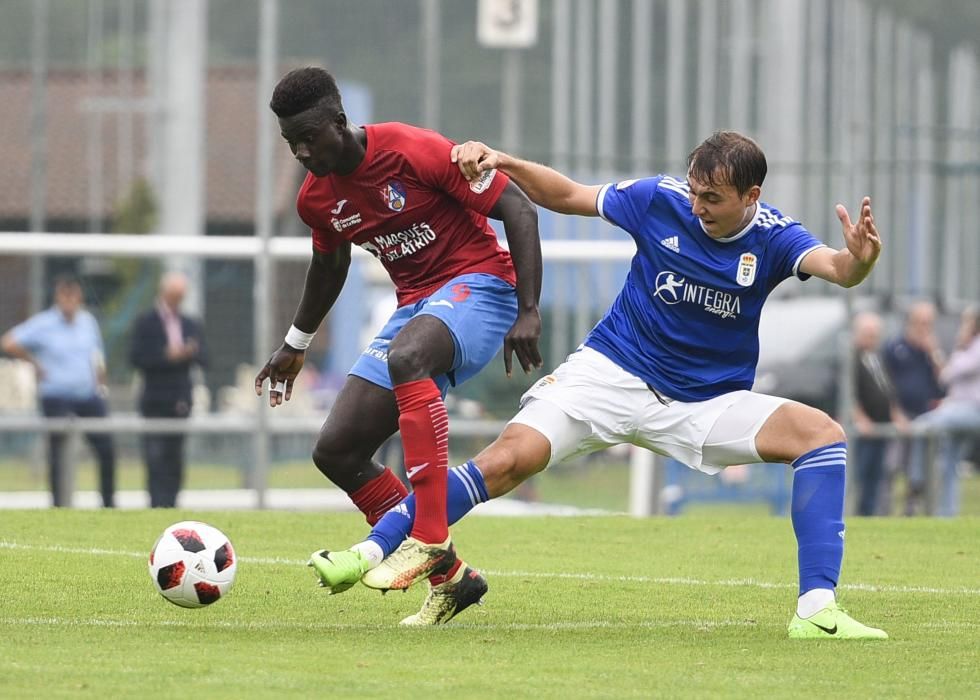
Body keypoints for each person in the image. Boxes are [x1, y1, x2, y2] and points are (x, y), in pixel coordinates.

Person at [311, 131, 890, 638]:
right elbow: (565, 194)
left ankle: (816, 610)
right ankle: (370, 550)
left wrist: (858, 260)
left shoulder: (774, 237)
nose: (697, 207)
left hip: (705, 402)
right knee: (508, 459)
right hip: (610, 374)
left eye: (712, 198)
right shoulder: (659, 200)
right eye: (694, 191)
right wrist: (503, 161)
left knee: (820, 435)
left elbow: (838, 269)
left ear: (751, 198)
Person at [252, 67, 543, 601]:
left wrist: (529, 308)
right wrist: (295, 344)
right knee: (337, 449)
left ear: (339, 123)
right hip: (417, 305)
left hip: (481, 286)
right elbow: (328, 264)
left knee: (407, 357)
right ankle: (450, 578)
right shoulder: (315, 200)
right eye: (292, 144)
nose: (302, 154)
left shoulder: (413, 150)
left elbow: (518, 209)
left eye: (309, 139)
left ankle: (429, 534)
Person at [1, 276, 116, 508]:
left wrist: (101, 382)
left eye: (73, 297)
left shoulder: (88, 322)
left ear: (79, 298)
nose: (69, 302)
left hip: (87, 395)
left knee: (106, 447)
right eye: (65, 297)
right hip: (57, 395)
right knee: (60, 452)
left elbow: (97, 356)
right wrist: (34, 363)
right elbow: (9, 342)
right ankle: (60, 504)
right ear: (58, 297)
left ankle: (109, 503)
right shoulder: (44, 323)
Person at [130, 271, 208, 508]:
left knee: (175, 460)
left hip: (180, 400)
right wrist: (167, 356)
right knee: (155, 458)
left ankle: (171, 505)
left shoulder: (191, 324)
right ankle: (156, 506)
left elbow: (206, 358)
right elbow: (136, 358)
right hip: (154, 400)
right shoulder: (146, 322)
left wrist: (189, 352)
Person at [913, 306, 980, 516]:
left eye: (966, 322)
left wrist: (934, 350)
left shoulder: (976, 347)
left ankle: (917, 480)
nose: (963, 326)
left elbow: (948, 375)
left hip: (972, 412)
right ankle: (947, 514)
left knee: (922, 425)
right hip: (960, 410)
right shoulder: (967, 348)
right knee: (948, 463)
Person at [882, 301, 945, 515]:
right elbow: (884, 385)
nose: (924, 327)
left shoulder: (933, 352)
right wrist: (895, 414)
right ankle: (883, 513)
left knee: (918, 472)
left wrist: (933, 352)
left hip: (926, 418)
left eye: (929, 323)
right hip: (900, 417)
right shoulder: (895, 347)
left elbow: (945, 381)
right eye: (921, 322)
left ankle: (912, 513)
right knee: (891, 467)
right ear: (910, 322)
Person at [851, 311, 906, 516]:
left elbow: (886, 389)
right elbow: (848, 391)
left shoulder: (877, 357)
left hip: (882, 427)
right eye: (868, 333)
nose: (872, 338)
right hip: (865, 431)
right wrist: (860, 417)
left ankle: (870, 514)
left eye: (875, 334)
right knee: (861, 474)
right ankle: (857, 513)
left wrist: (896, 414)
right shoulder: (852, 359)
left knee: (878, 474)